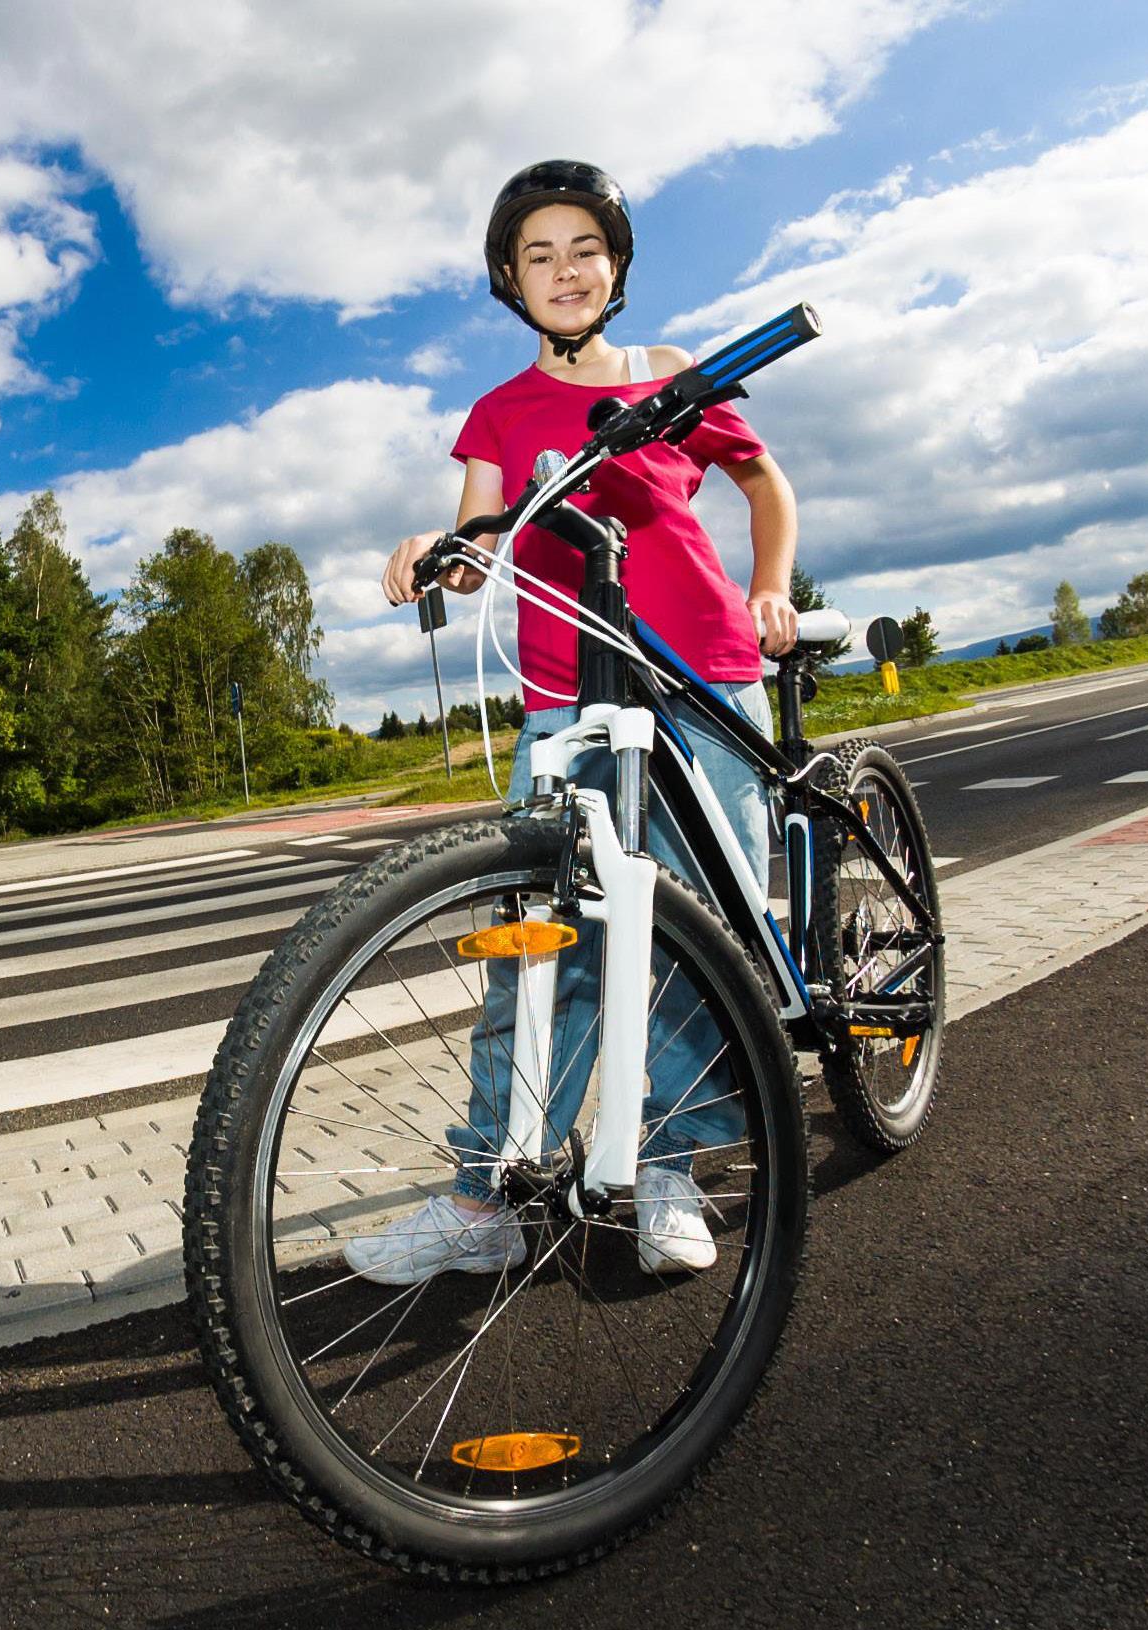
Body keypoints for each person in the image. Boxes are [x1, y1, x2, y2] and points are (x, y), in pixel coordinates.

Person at [346, 159, 800, 1286]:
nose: (563, 269)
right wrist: (430, 552)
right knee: (544, 942)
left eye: (582, 248)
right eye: (537, 253)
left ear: (615, 266)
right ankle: (486, 1193)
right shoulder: (496, 412)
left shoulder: (670, 375)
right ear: (508, 277)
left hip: (699, 674)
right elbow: (478, 543)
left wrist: (769, 586)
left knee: (695, 936)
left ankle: (668, 1167)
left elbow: (763, 488)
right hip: (563, 692)